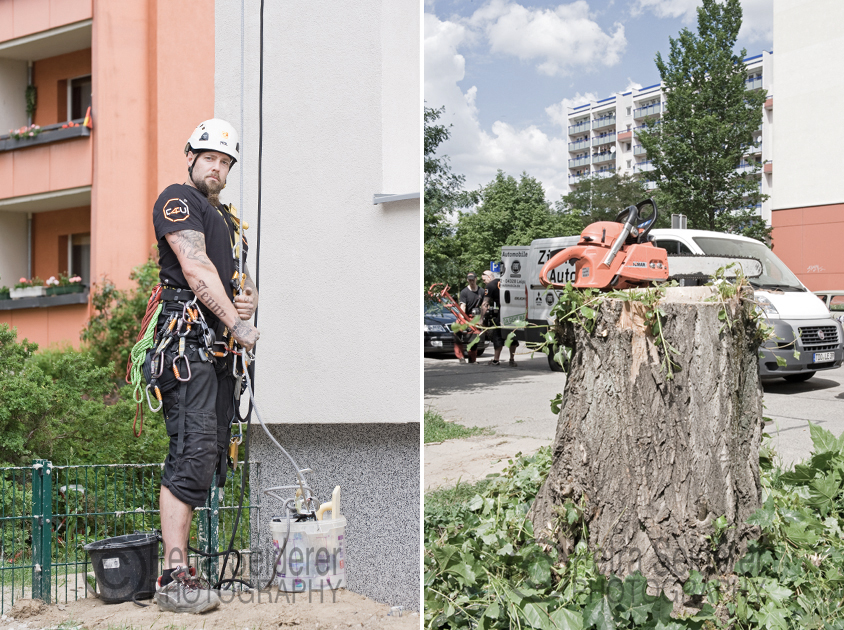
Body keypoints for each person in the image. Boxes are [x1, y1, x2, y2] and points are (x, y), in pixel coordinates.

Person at [151, 119, 260, 613]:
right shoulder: (179, 200)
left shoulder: (229, 221)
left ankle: (183, 568)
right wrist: (236, 327)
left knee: (211, 455)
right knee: (191, 453)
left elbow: (237, 279)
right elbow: (195, 268)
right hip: (186, 344)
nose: (217, 168)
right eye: (209, 158)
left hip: (216, 353)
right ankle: (172, 577)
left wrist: (248, 300)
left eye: (225, 162)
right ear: (191, 158)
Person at [480, 269, 518, 367]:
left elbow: (485, 304)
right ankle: (512, 360)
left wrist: (481, 319)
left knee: (497, 335)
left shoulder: (490, 285)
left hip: (503, 313)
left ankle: (496, 360)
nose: (484, 283)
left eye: (484, 280)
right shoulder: (506, 281)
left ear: (489, 277)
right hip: (514, 312)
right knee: (512, 335)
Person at [455, 272, 484, 363]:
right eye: (470, 280)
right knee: (457, 334)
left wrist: (481, 318)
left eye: (473, 279)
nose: (471, 282)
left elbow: (484, 305)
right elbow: (462, 306)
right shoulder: (464, 292)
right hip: (465, 316)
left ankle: (472, 360)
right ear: (467, 280)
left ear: (476, 279)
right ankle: (461, 357)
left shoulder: (481, 291)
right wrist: (463, 320)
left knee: (475, 336)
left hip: (475, 317)